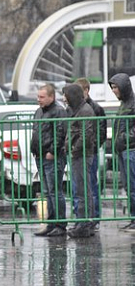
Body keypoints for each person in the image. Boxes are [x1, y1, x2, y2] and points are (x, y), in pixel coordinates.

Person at [31, 83, 68, 237]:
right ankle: (51, 223)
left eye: (42, 97)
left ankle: (60, 224)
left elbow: (60, 132)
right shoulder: (39, 111)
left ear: (51, 97)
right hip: (40, 155)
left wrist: (53, 151)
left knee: (54, 191)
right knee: (47, 191)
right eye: (38, 96)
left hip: (52, 156)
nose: (39, 100)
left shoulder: (58, 111)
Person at [63, 84, 96, 238]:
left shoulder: (86, 111)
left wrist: (74, 149)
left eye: (66, 95)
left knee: (83, 191)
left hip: (82, 155)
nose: (64, 99)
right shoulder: (77, 110)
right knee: (81, 190)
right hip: (78, 154)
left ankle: (84, 224)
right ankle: (82, 222)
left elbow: (86, 135)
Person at [74, 78, 106, 230]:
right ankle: (81, 218)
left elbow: (100, 132)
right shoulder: (76, 107)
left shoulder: (95, 108)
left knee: (91, 186)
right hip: (79, 152)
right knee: (79, 187)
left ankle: (93, 218)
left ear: (86, 91)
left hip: (89, 152)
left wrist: (92, 146)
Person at [109, 73, 135, 231]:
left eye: (115, 87)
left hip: (130, 149)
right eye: (112, 87)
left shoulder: (132, 103)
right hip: (123, 149)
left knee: (133, 186)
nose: (113, 90)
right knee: (128, 186)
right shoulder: (124, 103)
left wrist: (124, 138)